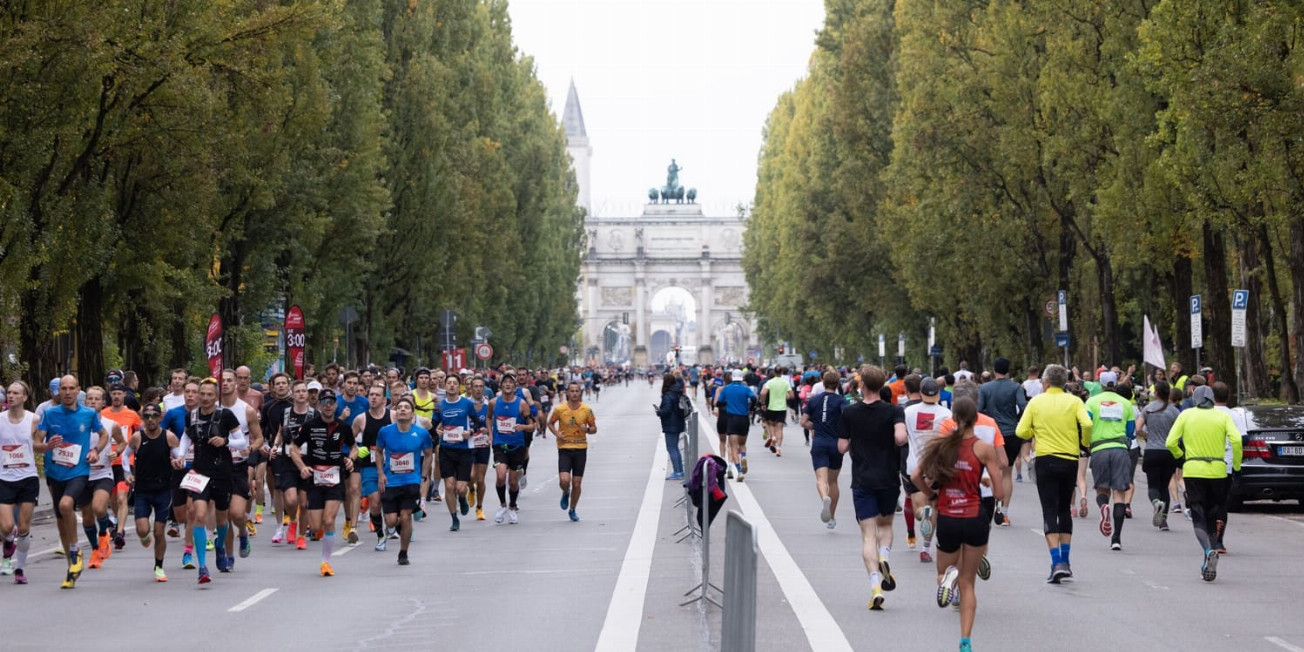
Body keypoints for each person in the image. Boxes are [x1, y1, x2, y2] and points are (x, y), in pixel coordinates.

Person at [912, 397, 1004, 652]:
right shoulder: (984, 448)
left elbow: (916, 475)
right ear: (976, 419)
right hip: (975, 519)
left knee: (943, 572)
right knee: (969, 583)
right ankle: (965, 642)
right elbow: (999, 492)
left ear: (953, 418)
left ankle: (948, 577)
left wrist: (931, 495)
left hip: (949, 519)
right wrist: (986, 483)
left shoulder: (942, 447)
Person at [837, 366, 907, 611]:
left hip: (863, 478)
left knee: (868, 534)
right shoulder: (895, 410)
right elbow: (900, 438)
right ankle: (885, 556)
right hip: (888, 477)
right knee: (886, 526)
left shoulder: (850, 412)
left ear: (862, 386)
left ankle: (876, 587)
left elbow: (842, 448)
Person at [1015, 364, 1091, 583]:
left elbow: (1021, 431)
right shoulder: (1074, 401)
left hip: (1046, 459)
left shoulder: (1037, 402)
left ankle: (1056, 562)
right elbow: (1086, 423)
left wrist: (1034, 431)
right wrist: (1083, 444)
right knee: (1064, 509)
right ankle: (1066, 562)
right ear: (1064, 382)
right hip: (1069, 459)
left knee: (1049, 510)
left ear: (1046, 382)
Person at [38, 375, 112, 588]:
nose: (68, 392)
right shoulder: (49, 414)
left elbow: (104, 434)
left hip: (79, 471)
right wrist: (46, 447)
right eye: (64, 388)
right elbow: (36, 442)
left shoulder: (88, 414)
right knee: (61, 521)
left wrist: (95, 450)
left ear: (78, 390)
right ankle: (72, 565)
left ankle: (73, 548)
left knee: (66, 505)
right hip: (54, 473)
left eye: (72, 388)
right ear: (58, 391)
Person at [1166, 385, 1241, 581]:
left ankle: (1208, 550)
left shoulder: (1186, 415)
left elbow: (1170, 442)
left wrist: (1181, 457)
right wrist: (1237, 466)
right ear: (1212, 400)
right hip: (1217, 470)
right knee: (1213, 515)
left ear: (1196, 399)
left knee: (1198, 515)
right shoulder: (1223, 416)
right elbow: (1237, 441)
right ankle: (1209, 554)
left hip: (1193, 471)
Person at [179, 378, 244, 584]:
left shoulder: (225, 415)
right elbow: (186, 437)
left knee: (222, 520)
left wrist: (226, 441)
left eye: (209, 395)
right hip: (199, 472)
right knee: (198, 515)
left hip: (222, 472)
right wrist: (181, 455)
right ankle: (203, 567)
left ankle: (220, 545)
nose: (205, 398)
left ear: (215, 397)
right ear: (197, 395)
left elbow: (242, 441)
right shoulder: (192, 416)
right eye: (202, 394)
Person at [289, 389, 354, 576]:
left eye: (331, 402)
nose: (327, 405)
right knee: (317, 526)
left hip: (335, 477)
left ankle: (326, 562)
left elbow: (354, 448)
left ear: (335, 405)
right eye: (324, 402)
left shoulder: (343, 427)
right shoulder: (310, 426)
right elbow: (294, 448)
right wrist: (302, 466)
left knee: (328, 520)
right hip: (315, 479)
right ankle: (313, 527)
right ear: (319, 405)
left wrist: (350, 458)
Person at [374, 396, 434, 565]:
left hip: (411, 480)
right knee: (392, 520)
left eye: (406, 407)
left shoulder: (421, 433)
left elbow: (429, 454)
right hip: (391, 480)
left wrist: (424, 475)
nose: (402, 410)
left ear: (412, 412)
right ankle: (399, 528)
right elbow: (378, 452)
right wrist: (380, 474)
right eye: (399, 407)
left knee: (406, 516)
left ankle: (403, 553)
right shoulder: (385, 431)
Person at [124, 402, 180, 582]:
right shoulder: (137, 437)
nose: (150, 420)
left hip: (163, 490)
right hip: (143, 490)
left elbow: (179, 457)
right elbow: (125, 455)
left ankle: (159, 566)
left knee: (159, 531)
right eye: (146, 416)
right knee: (142, 530)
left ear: (159, 417)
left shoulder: (169, 437)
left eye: (153, 416)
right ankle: (144, 535)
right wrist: (127, 473)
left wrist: (177, 462)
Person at [1084, 371, 1136, 550]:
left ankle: (1103, 507)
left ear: (1100, 383)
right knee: (1120, 493)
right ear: (1115, 383)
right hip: (1120, 449)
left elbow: (1086, 424)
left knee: (1102, 490)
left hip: (1099, 449)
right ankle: (1116, 538)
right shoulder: (1126, 404)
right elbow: (1131, 431)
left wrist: (1086, 443)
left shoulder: (1091, 402)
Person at [905, 377, 951, 562]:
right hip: (936, 468)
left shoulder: (908, 412)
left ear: (921, 392)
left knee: (919, 508)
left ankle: (922, 512)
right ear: (938, 393)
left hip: (914, 466)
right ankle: (925, 548)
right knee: (935, 506)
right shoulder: (946, 414)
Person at [219, 369, 262, 563]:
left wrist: (251, 448)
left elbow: (260, 438)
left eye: (229, 380)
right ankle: (229, 555)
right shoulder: (214, 408)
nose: (226, 384)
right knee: (225, 515)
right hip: (218, 467)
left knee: (236, 513)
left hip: (238, 466)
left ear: (236, 382)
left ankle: (243, 532)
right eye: (223, 380)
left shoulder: (247, 410)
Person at [977, 357, 1026, 527]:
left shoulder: (985, 388)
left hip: (990, 432)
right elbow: (1023, 406)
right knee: (1007, 473)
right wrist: (1016, 419)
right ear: (1008, 370)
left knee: (990, 470)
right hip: (1011, 432)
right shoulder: (1016, 387)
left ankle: (989, 508)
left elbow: (979, 409)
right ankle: (1004, 513)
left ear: (994, 370)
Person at [0, 381, 40, 584]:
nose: (11, 396)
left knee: (24, 527)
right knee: (6, 526)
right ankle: (8, 540)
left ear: (25, 397)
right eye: (9, 393)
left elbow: (40, 444)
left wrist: (47, 446)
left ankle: (20, 568)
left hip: (28, 478)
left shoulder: (34, 419)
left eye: (16, 393)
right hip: (4, 478)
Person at [433, 375, 482, 532]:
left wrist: (471, 432)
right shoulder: (440, 406)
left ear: (459, 386)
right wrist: (437, 430)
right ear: (445, 386)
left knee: (460, 488)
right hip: (446, 450)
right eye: (449, 383)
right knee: (449, 485)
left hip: (464, 450)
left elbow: (477, 422)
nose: (452, 386)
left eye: (455, 383)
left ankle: (462, 497)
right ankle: (454, 518)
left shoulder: (467, 404)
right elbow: (434, 427)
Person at [802, 371, 846, 529]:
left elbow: (803, 421)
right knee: (833, 481)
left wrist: (813, 426)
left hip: (819, 442)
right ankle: (832, 518)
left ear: (823, 381)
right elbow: (847, 418)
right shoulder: (841, 401)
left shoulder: (814, 400)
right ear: (838, 384)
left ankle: (824, 497)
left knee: (821, 480)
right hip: (835, 444)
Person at [548, 382, 596, 522]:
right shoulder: (559, 409)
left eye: (577, 391)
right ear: (567, 393)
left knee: (577, 483)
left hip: (581, 449)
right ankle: (565, 491)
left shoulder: (587, 410)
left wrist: (586, 429)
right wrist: (557, 433)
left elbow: (594, 428)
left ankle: (573, 509)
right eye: (572, 391)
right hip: (564, 448)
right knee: (564, 480)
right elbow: (550, 423)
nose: (574, 393)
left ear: (580, 393)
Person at [352, 383, 391, 549]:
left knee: (391, 506)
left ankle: (400, 524)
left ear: (384, 399)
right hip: (369, 465)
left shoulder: (393, 416)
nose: (373, 397)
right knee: (375, 502)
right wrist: (357, 449)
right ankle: (380, 535)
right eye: (371, 395)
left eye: (377, 395)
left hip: (391, 466)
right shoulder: (361, 419)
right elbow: (347, 438)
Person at [102, 383, 140, 550]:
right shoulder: (103, 414)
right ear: (110, 395)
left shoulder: (131, 414)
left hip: (125, 463)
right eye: (114, 393)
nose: (116, 396)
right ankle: (117, 522)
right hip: (105, 462)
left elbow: (140, 433)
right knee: (112, 500)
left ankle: (120, 532)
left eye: (119, 393)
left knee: (121, 497)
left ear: (124, 395)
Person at [489, 374, 531, 524]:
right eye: (505, 382)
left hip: (517, 446)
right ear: (500, 386)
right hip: (499, 444)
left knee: (513, 482)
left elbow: (532, 425)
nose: (507, 385)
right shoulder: (494, 402)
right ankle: (502, 505)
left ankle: (512, 507)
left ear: (515, 387)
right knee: (500, 476)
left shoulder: (522, 404)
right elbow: (488, 418)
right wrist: (490, 434)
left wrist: (523, 427)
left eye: (510, 382)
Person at [1138, 380, 1179, 531]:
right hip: (1169, 452)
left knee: (1153, 485)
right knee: (1164, 486)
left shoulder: (1148, 409)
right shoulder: (1174, 411)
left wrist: (1147, 435)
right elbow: (1180, 431)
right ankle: (1163, 522)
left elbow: (1137, 428)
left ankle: (1156, 503)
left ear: (1155, 393)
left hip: (1152, 451)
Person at [715, 370, 754, 481]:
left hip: (732, 419)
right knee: (742, 444)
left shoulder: (726, 389)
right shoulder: (746, 388)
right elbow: (754, 398)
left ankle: (740, 472)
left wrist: (728, 402)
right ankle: (744, 457)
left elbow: (718, 403)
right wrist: (751, 408)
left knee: (733, 446)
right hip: (744, 418)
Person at [656, 373, 687, 480]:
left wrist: (659, 412)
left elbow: (667, 410)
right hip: (678, 422)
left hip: (671, 424)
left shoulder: (668, 394)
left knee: (672, 448)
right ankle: (679, 471)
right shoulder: (678, 392)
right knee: (675, 447)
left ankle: (677, 472)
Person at [760, 368, 793, 455]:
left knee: (771, 425)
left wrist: (763, 403)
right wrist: (785, 397)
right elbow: (792, 395)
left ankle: (773, 437)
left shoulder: (769, 382)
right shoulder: (785, 382)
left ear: (774, 372)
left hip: (771, 407)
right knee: (780, 428)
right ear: (781, 372)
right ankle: (778, 448)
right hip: (782, 408)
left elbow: (763, 393)